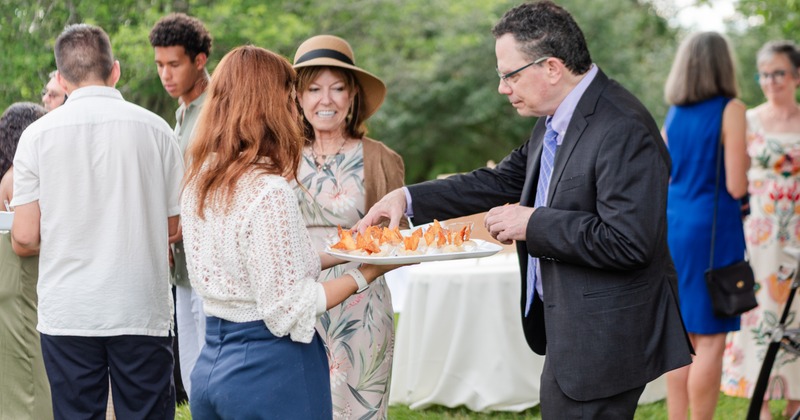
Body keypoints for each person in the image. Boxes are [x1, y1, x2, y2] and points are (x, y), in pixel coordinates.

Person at [357, 1, 693, 418]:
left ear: (551, 67)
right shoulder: (554, 120)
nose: (502, 88)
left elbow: (628, 242)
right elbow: (498, 182)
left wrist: (533, 222)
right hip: (575, 331)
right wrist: (405, 198)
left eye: (509, 75)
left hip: (606, 338)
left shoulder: (621, 127)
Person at [180, 44, 402, 419]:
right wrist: (368, 273)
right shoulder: (269, 189)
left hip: (213, 363)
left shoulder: (200, 181)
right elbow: (288, 309)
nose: (295, 108)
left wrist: (354, 251)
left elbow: (273, 265)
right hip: (271, 369)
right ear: (269, 104)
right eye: (291, 96)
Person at [10, 24, 183, 419]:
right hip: (140, 305)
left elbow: (23, 237)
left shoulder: (36, 137)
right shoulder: (156, 130)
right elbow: (174, 227)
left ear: (60, 78)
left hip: (70, 307)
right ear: (115, 70)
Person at [291, 34, 405, 419]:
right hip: (298, 299)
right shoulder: (277, 158)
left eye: (338, 88)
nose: (326, 100)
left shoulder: (380, 158)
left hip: (362, 305)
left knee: (360, 411)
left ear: (352, 95)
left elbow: (397, 240)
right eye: (314, 89)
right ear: (298, 97)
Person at [660, 31, 749, 420]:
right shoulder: (731, 109)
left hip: (675, 224)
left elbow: (663, 172)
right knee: (711, 340)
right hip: (712, 229)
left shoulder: (675, 113)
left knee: (683, 339)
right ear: (723, 64)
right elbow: (736, 184)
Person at [722, 40, 800, 420]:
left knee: (799, 312)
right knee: (762, 310)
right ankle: (764, 401)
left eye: (779, 73)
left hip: (799, 232)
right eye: (764, 74)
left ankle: (797, 401)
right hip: (760, 233)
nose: (771, 81)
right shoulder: (748, 120)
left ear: (797, 76)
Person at [149, 12, 212, 401]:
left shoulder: (215, 112)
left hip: (210, 268)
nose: (165, 74)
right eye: (159, 65)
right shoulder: (181, 114)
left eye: (174, 64)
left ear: (199, 60)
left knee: (211, 376)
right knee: (191, 378)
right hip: (183, 268)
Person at [0, 102, 51, 420]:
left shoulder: (9, 172)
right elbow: (25, 236)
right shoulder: (20, 176)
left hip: (11, 282)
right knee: (30, 371)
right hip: (22, 278)